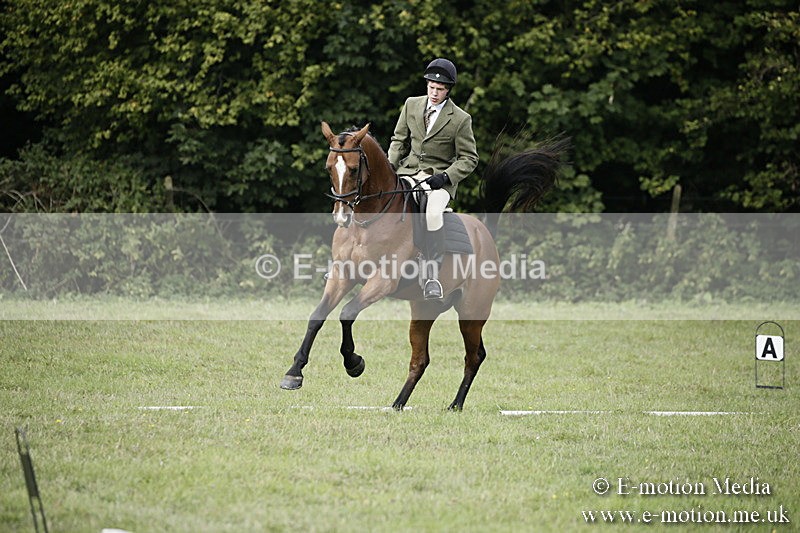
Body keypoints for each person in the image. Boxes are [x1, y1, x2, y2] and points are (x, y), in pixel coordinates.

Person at [388, 58, 479, 299]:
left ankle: (431, 276)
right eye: (431, 87)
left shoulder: (460, 119)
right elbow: (399, 140)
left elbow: (469, 158)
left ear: (448, 90)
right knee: (382, 201)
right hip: (407, 172)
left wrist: (446, 177)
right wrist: (390, 166)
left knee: (432, 213)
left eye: (440, 89)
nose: (434, 93)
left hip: (437, 181)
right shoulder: (411, 105)